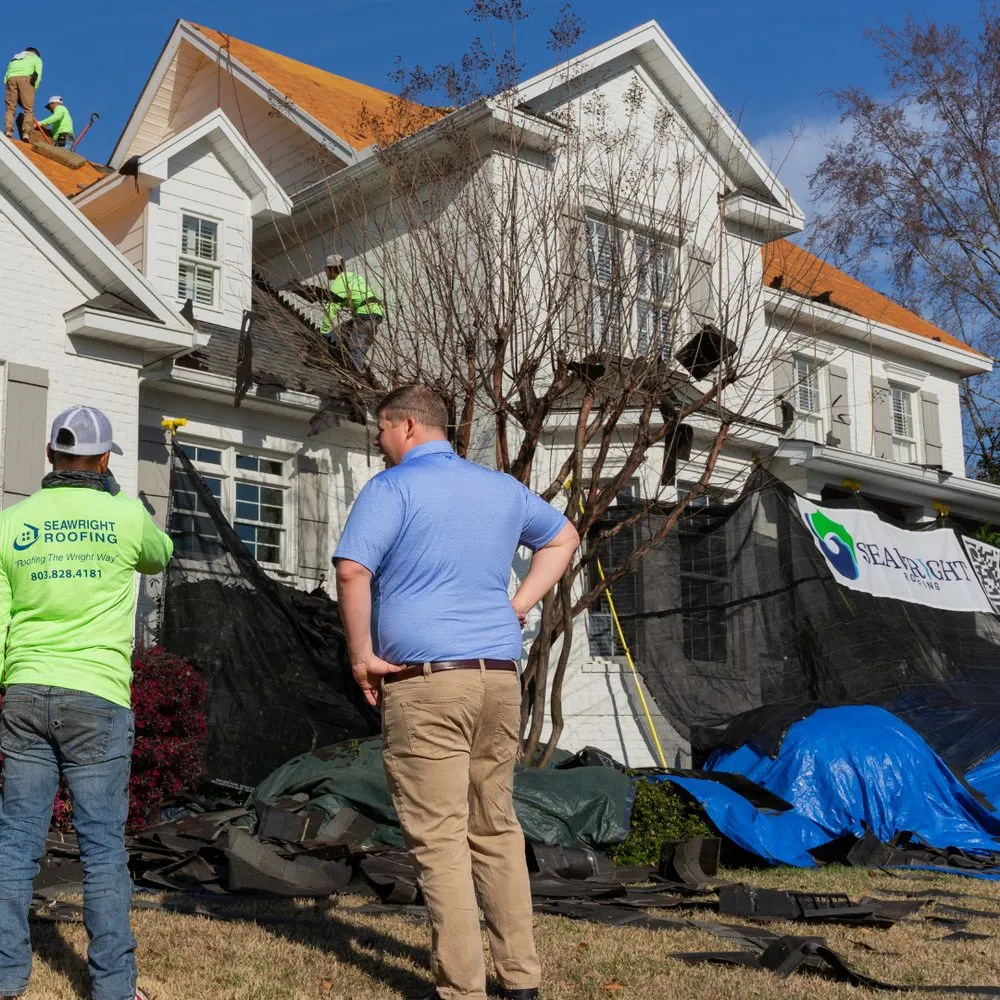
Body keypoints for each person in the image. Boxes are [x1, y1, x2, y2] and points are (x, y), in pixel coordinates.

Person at [334, 385, 580, 1000]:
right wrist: (517, 606)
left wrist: (361, 654)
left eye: (382, 429)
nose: (379, 440)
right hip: (497, 678)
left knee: (440, 837)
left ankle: (462, 989)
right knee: (495, 827)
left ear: (409, 426)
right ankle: (521, 983)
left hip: (427, 685)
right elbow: (564, 537)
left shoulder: (392, 488)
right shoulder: (500, 488)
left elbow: (352, 570)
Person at [0, 405, 171, 1000]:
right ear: (103, 460)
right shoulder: (125, 516)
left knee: (16, 842)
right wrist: (118, 495)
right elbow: (160, 554)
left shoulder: (12, 521)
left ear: (49, 455)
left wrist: (14, 680)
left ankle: (4, 976)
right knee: (101, 848)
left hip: (24, 690)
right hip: (96, 695)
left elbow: (1, 620)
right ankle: (113, 988)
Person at [319, 252, 383, 370]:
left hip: (366, 316)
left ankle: (358, 376)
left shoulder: (339, 282)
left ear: (331, 269)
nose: (325, 272)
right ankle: (345, 364)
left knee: (356, 348)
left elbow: (331, 308)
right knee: (336, 334)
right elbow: (357, 296)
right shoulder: (353, 277)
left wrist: (323, 331)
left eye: (326, 269)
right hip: (374, 313)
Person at [4, 47, 41, 141]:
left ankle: (8, 131)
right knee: (28, 109)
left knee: (10, 107)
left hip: (11, 79)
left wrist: (10, 88)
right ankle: (26, 133)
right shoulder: (36, 59)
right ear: (35, 54)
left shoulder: (15, 58)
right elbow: (38, 76)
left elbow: (6, 77)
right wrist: (32, 91)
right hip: (26, 79)